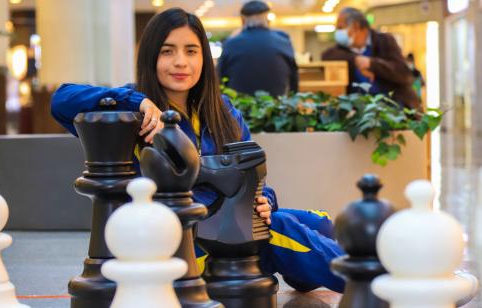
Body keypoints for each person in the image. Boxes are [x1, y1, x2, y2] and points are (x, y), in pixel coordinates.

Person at [51, 7, 345, 293]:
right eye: (168, 51)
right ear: (151, 56)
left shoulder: (222, 110)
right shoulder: (132, 114)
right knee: (281, 229)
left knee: (317, 221)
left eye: (191, 51)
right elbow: (61, 101)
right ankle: (371, 283)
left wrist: (264, 201)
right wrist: (134, 101)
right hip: (180, 243)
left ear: (204, 57)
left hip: (227, 227)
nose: (181, 62)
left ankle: (304, 272)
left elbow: (253, 178)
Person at [321, 7, 420, 109]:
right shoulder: (340, 49)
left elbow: (403, 73)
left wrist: (371, 64)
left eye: (340, 28)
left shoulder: (384, 41)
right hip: (358, 111)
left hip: (393, 106)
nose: (338, 32)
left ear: (355, 26)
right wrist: (356, 60)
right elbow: (326, 57)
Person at [216, 1, 298, 97]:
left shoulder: (231, 43)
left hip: (239, 107)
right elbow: (294, 77)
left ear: (242, 20)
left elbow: (219, 77)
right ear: (268, 19)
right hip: (275, 107)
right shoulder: (283, 40)